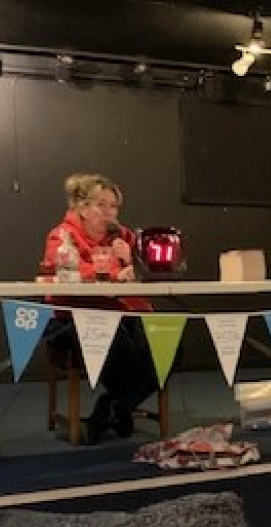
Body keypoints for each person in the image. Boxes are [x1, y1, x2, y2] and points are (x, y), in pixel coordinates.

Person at [42, 173, 158, 443]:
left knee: (169, 346)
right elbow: (65, 269)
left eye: (114, 206)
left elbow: (151, 271)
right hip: (71, 318)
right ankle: (120, 409)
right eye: (101, 205)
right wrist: (110, 273)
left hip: (122, 314)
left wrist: (133, 260)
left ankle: (112, 409)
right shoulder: (62, 235)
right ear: (81, 208)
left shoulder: (123, 237)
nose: (110, 213)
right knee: (116, 342)